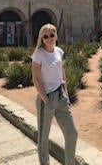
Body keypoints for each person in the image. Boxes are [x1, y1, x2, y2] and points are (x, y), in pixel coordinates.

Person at [32, 23, 78, 165]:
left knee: (72, 134)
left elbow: (61, 72)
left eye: (52, 35)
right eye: (45, 36)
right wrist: (46, 100)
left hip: (61, 96)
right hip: (47, 98)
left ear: (56, 36)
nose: (49, 38)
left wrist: (66, 92)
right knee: (44, 137)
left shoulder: (59, 51)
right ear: (41, 38)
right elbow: (36, 79)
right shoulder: (38, 54)